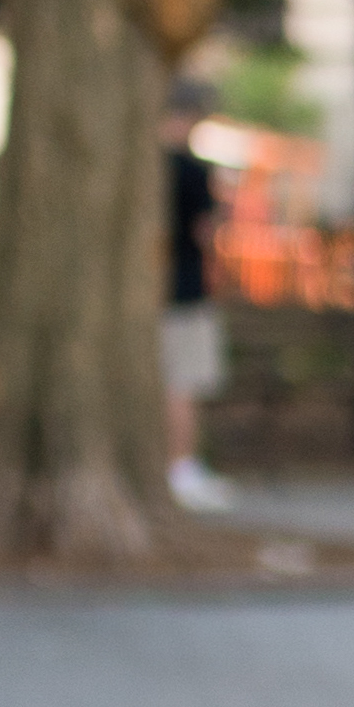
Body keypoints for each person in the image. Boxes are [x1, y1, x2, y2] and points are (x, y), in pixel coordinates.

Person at [160, 83, 231, 507]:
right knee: (183, 381)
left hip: (151, 292)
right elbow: (206, 233)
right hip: (185, 289)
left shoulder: (142, 167)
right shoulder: (191, 170)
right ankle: (182, 466)